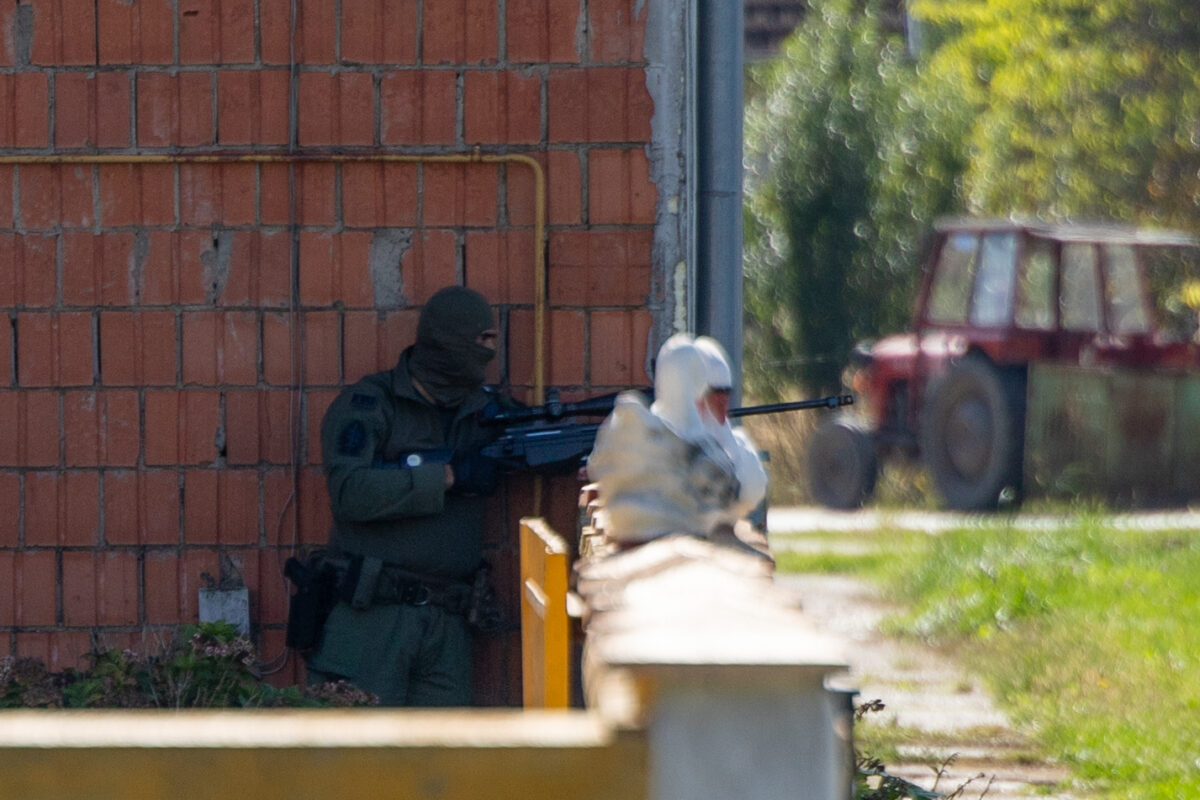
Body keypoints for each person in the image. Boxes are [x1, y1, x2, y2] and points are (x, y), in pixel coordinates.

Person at [305, 285, 509, 706]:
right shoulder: (370, 405)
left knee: (445, 766)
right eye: (480, 341)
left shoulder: (484, 413)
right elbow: (350, 491)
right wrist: (446, 477)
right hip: (372, 622)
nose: (490, 351)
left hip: (449, 624)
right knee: (357, 763)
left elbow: (534, 440)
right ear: (445, 342)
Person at [586, 333, 768, 547]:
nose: (721, 402)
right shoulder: (647, 434)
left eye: (725, 393)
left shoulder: (727, 450)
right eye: (714, 392)